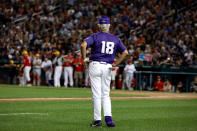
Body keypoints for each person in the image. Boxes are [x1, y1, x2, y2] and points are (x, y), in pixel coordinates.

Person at [81, 16, 128, 127]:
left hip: (95, 65)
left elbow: (83, 45)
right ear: (109, 26)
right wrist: (116, 64)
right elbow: (125, 52)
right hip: (108, 67)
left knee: (96, 94)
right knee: (105, 94)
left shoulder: (95, 36)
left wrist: (84, 59)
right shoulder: (115, 39)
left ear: (98, 26)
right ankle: (109, 119)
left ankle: (97, 121)